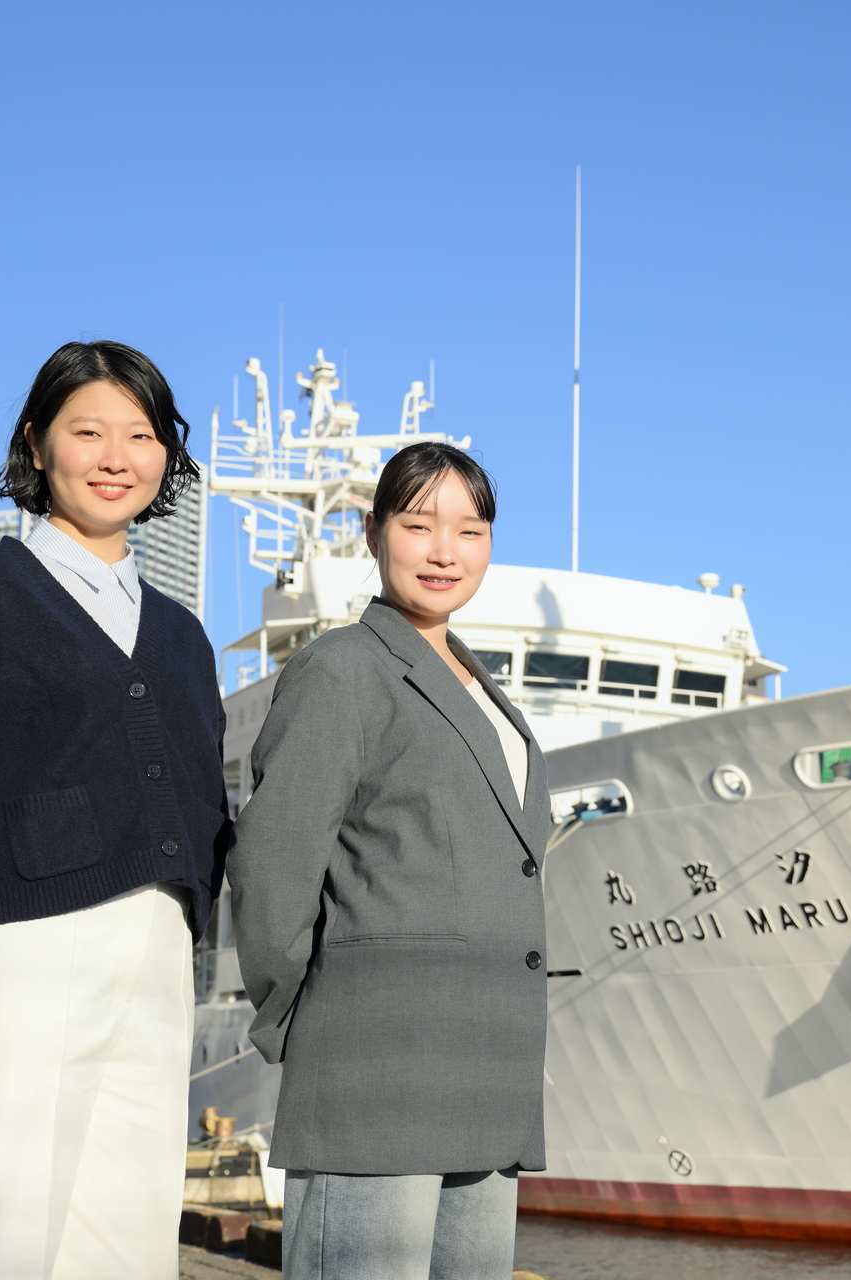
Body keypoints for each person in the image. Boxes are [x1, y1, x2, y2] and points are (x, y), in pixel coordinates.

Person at [0, 340, 230, 1279]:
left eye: (141, 435)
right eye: (87, 430)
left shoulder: (182, 637)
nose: (115, 457)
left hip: (152, 956)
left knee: (127, 1243)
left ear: (166, 457)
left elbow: (202, 799)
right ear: (36, 444)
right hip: (13, 950)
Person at [228, 441, 549, 1280]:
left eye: (470, 530)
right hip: (374, 1065)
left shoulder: (483, 689)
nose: (445, 551)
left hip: (488, 1071)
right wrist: (306, 1017)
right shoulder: (342, 671)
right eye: (418, 525)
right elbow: (271, 867)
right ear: (372, 534)